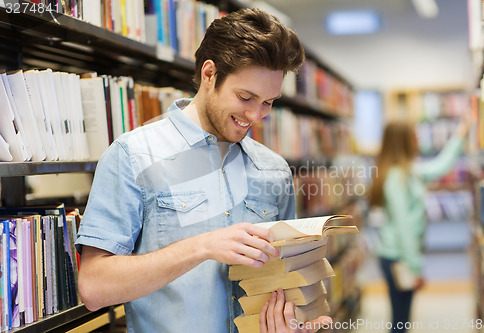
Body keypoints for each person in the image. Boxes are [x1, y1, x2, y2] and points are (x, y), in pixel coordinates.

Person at [76, 8, 329, 333]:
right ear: (209, 74)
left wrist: (299, 321)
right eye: (246, 97)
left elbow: (288, 280)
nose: (255, 115)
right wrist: (201, 246)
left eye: (268, 102)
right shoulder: (133, 156)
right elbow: (94, 289)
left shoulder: (274, 170)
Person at [369, 117, 470, 333]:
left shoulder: (408, 172)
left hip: (399, 256)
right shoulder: (397, 177)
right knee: (400, 320)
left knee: (402, 318)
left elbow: (439, 167)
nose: (418, 140)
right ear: (403, 141)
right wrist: (415, 268)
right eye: (414, 136)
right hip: (398, 258)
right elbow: (404, 227)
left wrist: (460, 134)